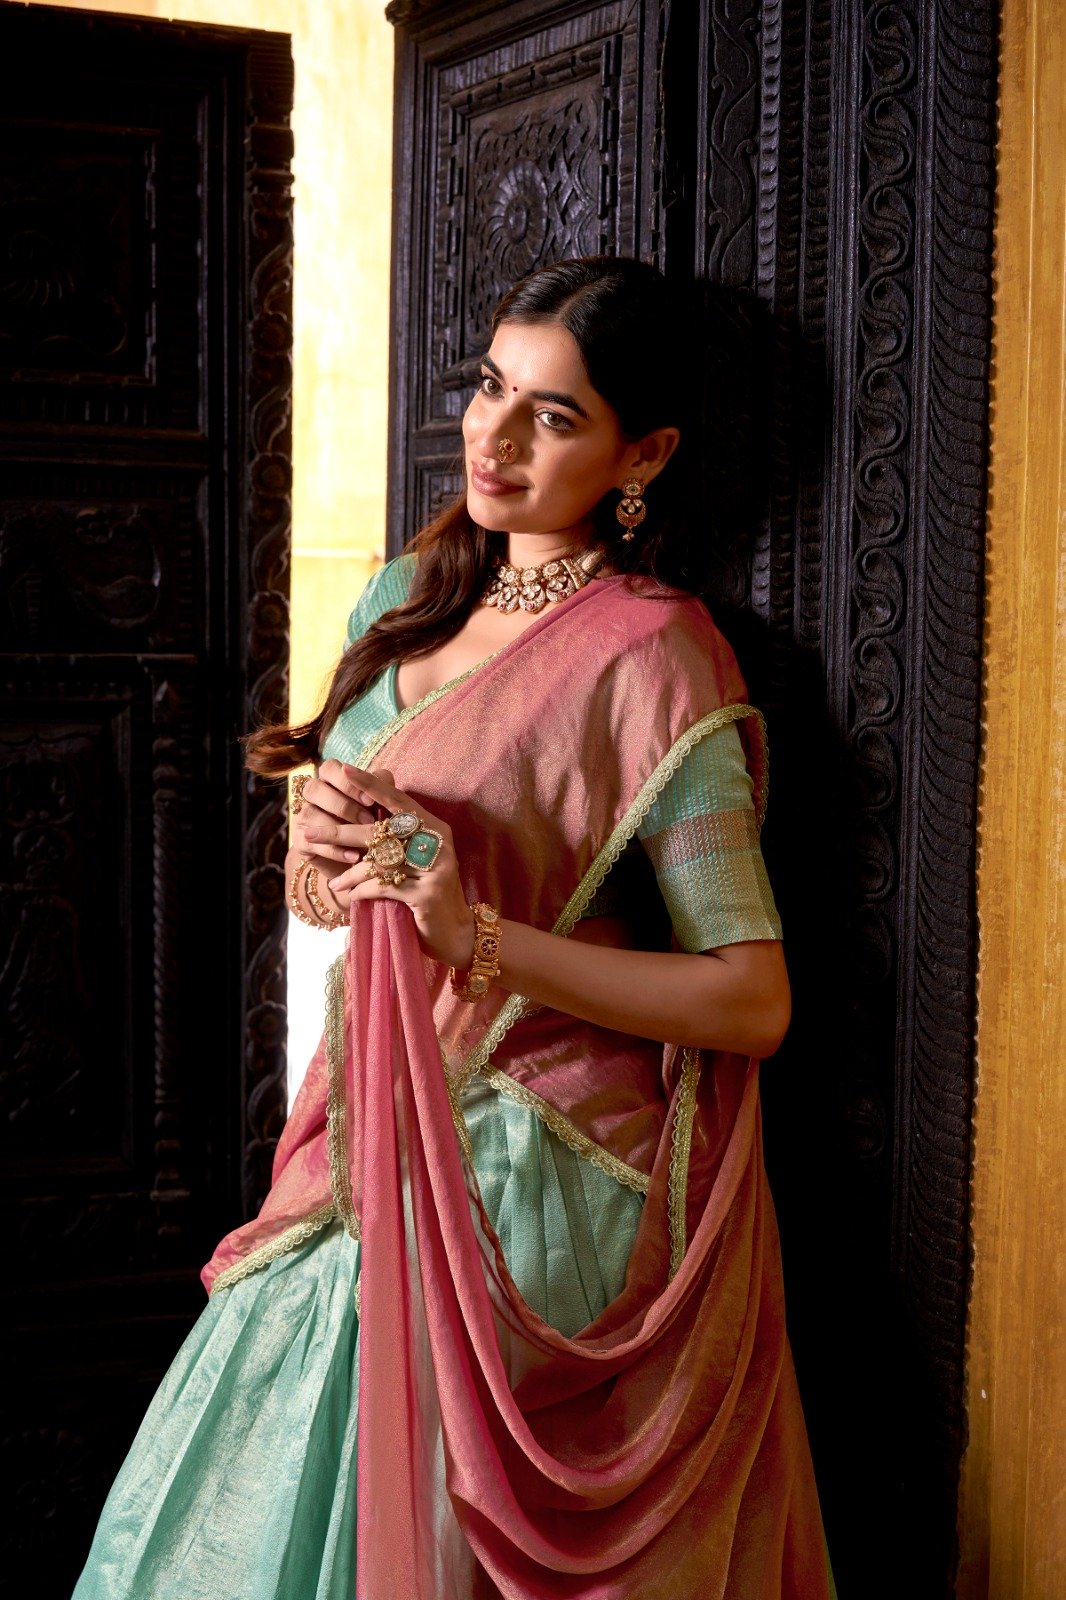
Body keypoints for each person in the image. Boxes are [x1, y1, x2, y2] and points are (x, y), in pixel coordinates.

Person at [73, 256, 835, 1599]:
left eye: (554, 415)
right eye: (491, 386)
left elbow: (750, 997)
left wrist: (478, 935)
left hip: (534, 1155)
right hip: (371, 1114)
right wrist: (315, 855)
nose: (495, 435)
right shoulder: (402, 597)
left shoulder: (653, 654)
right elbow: (334, 897)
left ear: (642, 454)